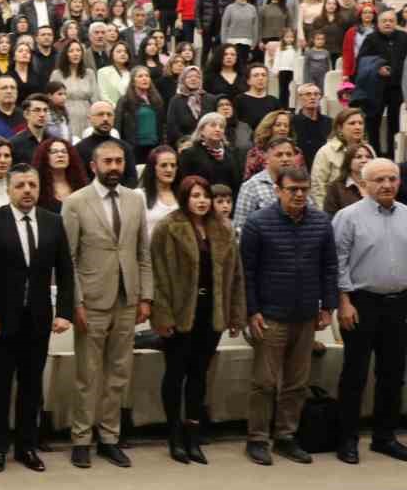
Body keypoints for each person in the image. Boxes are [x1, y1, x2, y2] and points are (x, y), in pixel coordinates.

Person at [0, 164, 75, 473]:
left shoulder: (53, 222)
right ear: (9, 189)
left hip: (37, 318)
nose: (27, 191)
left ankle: (26, 447)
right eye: (20, 185)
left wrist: (64, 313)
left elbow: (66, 271)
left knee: (31, 386)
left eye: (32, 185)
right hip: (1, 320)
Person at [62, 141, 152, 468]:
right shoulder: (75, 203)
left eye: (119, 161)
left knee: (118, 373)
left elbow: (143, 252)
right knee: (88, 374)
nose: (114, 166)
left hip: (127, 299)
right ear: (93, 166)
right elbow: (68, 259)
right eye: (107, 161)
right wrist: (77, 303)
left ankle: (109, 437)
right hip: (92, 300)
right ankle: (81, 438)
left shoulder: (135, 200)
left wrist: (146, 297)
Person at [239, 165, 337, 466]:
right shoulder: (258, 223)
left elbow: (330, 268)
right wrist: (251, 311)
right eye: (292, 189)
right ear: (278, 190)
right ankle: (257, 438)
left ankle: (285, 436)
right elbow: (248, 273)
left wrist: (327, 306)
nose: (298, 194)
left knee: (297, 382)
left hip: (306, 314)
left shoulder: (321, 223)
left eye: (303, 189)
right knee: (265, 382)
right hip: (270, 315)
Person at [149, 174, 245, 465]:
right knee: (176, 372)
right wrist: (162, 315)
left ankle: (193, 434)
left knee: (199, 374)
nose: (202, 201)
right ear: (184, 197)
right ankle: (174, 435)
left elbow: (236, 276)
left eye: (206, 196)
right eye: (195, 195)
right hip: (179, 313)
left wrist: (236, 313)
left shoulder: (223, 229)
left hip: (211, 312)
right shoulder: (168, 227)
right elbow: (158, 275)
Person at [330, 158, 407, 464]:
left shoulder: (406, 215)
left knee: (393, 373)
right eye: (379, 180)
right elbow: (338, 261)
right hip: (360, 303)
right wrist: (344, 302)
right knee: (355, 373)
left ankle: (384, 437)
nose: (387, 185)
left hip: (398, 303)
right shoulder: (347, 217)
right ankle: (347, 438)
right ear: (364, 184)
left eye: (392, 179)